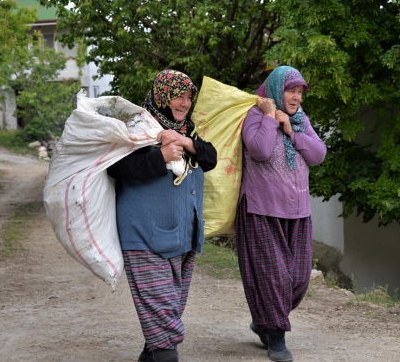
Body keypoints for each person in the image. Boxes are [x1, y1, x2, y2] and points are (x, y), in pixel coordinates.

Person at [107, 70, 217, 362]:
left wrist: (186, 143)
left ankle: (153, 353)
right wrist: (161, 156)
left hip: (182, 235)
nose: (184, 103)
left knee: (166, 314)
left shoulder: (187, 130)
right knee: (165, 328)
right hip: (144, 236)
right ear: (162, 95)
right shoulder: (140, 128)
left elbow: (210, 157)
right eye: (178, 96)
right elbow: (117, 168)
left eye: (188, 97)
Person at [235, 65, 327, 362]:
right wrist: (269, 117)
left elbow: (318, 154)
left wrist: (291, 129)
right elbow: (259, 150)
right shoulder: (254, 116)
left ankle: (264, 320)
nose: (297, 97)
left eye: (300, 92)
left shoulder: (300, 119)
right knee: (275, 277)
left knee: (298, 279)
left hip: (298, 211)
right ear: (276, 90)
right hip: (261, 208)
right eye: (291, 90)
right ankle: (276, 338)